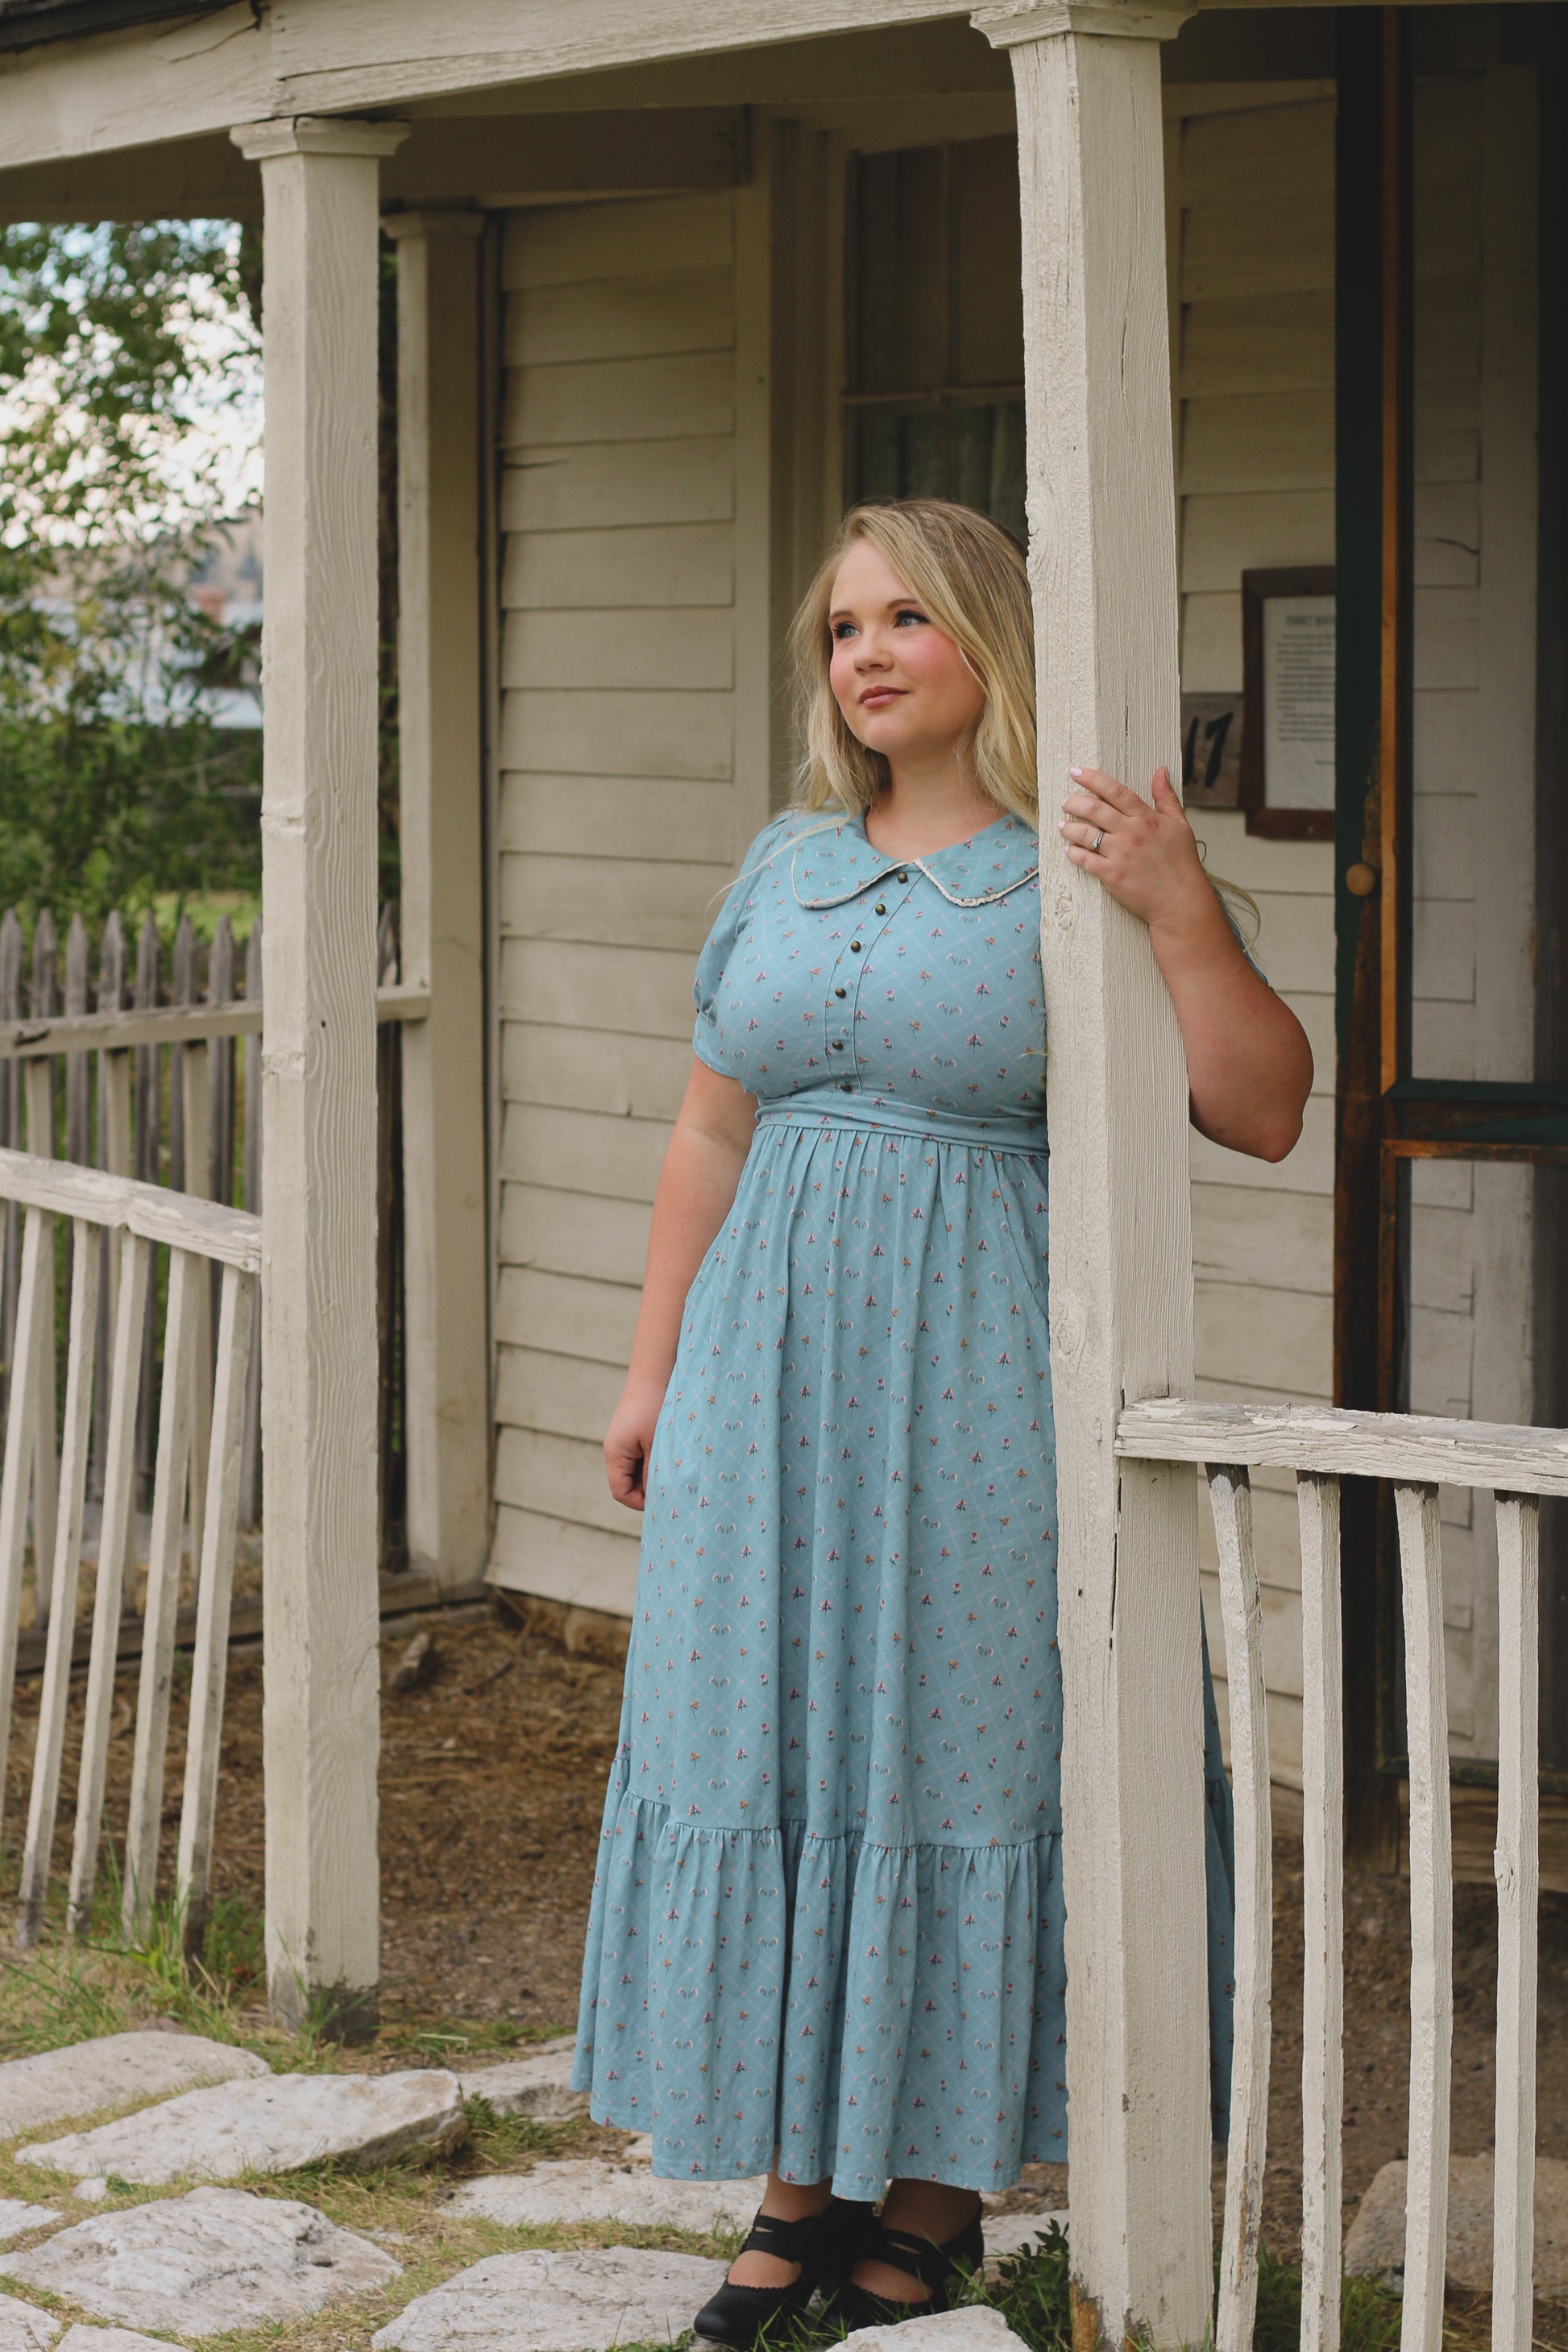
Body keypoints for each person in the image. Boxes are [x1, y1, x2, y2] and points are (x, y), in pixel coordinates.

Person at [571, 499, 1313, 2343]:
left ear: (986, 637)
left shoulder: (1075, 867)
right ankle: (792, 2188)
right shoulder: (782, 859)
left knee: (964, 1752)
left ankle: (932, 2197)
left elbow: (1266, 1104)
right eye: (843, 627)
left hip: (982, 1384)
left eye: (908, 616)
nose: (870, 651)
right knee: (781, 1742)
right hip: (763, 1377)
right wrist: (652, 1362)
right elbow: (706, 1131)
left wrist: (1179, 901)